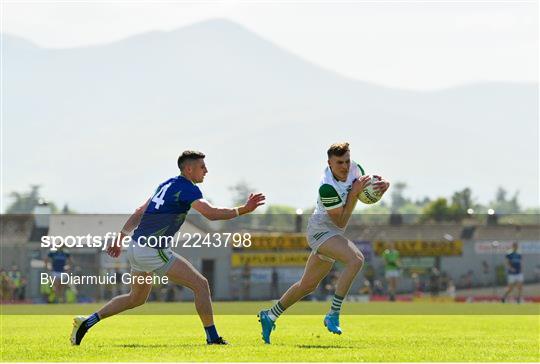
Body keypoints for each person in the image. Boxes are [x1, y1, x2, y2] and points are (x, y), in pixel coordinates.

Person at [71, 151, 265, 345]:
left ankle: (87, 322)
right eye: (202, 167)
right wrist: (243, 209)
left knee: (136, 298)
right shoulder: (187, 188)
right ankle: (213, 339)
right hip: (152, 251)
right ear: (189, 169)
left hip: (135, 247)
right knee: (201, 285)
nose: (206, 170)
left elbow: (140, 211)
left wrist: (120, 237)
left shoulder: (165, 184)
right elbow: (212, 214)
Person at [258, 142, 389, 344]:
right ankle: (333, 314)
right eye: (339, 163)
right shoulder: (327, 187)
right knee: (356, 260)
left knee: (307, 285)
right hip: (320, 231)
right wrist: (354, 194)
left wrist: (382, 186)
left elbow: (369, 188)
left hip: (333, 233)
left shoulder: (356, 169)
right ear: (329, 163)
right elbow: (341, 221)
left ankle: (270, 315)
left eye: (347, 161)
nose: (345, 166)